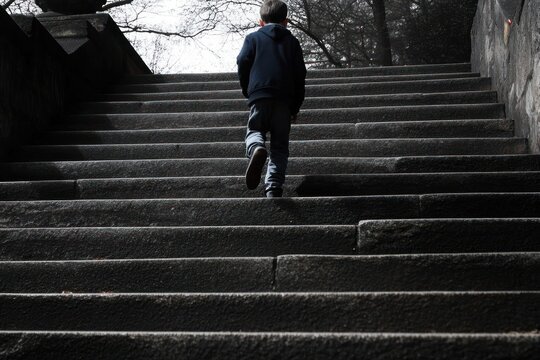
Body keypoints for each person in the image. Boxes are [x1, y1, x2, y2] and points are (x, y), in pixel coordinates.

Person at [237, 0, 307, 198]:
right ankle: (274, 186)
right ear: (286, 22)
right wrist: (295, 107)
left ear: (260, 22)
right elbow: (300, 74)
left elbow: (243, 61)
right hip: (284, 101)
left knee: (255, 130)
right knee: (279, 146)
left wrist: (248, 90)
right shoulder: (293, 43)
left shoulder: (252, 38)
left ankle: (257, 148)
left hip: (259, 96)